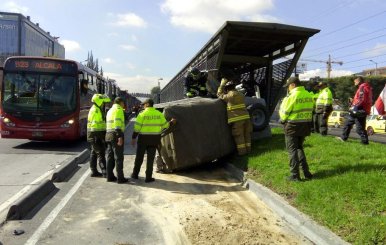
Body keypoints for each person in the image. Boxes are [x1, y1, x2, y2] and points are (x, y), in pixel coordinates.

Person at [130, 98, 176, 182]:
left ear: (147, 104)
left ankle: (135, 175)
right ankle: (148, 177)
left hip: (143, 139)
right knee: (150, 159)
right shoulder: (159, 114)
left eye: (143, 105)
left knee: (139, 158)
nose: (143, 106)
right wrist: (171, 122)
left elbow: (137, 128)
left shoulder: (142, 114)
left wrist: (133, 138)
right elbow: (165, 126)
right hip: (154, 139)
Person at [279, 77, 314, 181]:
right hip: (305, 126)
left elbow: (284, 114)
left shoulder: (291, 96)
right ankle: (307, 173)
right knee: (299, 148)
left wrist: (282, 119)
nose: (288, 89)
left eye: (288, 86)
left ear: (293, 85)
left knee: (292, 150)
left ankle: (295, 175)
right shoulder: (309, 95)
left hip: (292, 126)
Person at [217, 78, 252, 156]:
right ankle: (249, 150)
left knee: (239, 137)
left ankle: (242, 153)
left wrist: (221, 85)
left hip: (237, 120)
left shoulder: (229, 96)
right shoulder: (241, 94)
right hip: (246, 118)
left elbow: (219, 95)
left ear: (227, 89)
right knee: (247, 135)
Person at [337, 76, 373, 144]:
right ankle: (343, 138)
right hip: (361, 109)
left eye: (355, 81)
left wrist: (354, 107)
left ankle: (365, 142)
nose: (354, 82)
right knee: (348, 123)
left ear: (358, 81)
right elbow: (362, 99)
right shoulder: (365, 87)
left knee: (359, 129)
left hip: (359, 110)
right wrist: (353, 101)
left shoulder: (362, 87)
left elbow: (362, 99)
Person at [105, 97, 128, 183]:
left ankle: (109, 176)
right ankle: (120, 178)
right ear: (120, 102)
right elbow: (117, 124)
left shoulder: (110, 110)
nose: (123, 105)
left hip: (108, 134)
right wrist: (119, 137)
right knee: (119, 157)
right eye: (123, 103)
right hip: (116, 134)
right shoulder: (119, 110)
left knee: (110, 157)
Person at [87, 94, 111, 177]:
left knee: (94, 153)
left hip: (93, 135)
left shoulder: (96, 109)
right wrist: (103, 134)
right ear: (99, 101)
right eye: (103, 102)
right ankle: (105, 172)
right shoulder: (96, 110)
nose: (103, 104)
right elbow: (98, 126)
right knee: (100, 153)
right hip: (95, 135)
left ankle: (94, 171)